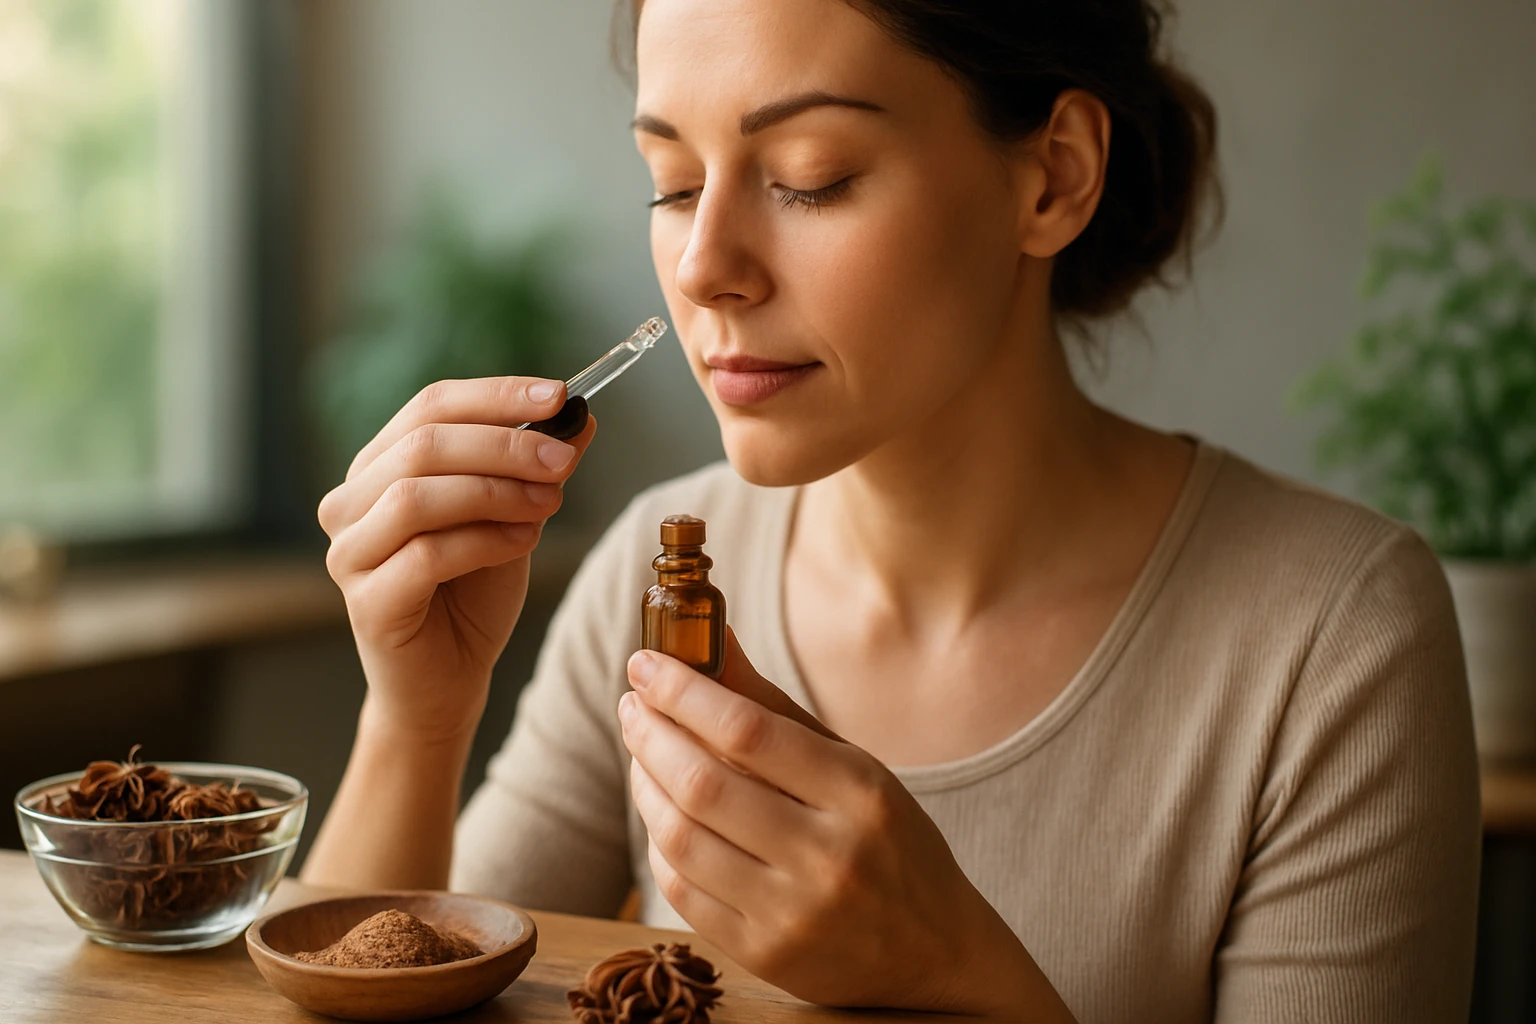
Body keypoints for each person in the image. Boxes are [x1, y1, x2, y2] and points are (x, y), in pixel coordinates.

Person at [302, 0, 1481, 1019]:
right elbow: (393, 972)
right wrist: (417, 719)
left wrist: (958, 975)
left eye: (812, 174)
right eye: (671, 182)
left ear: (1054, 175)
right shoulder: (655, 582)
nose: (706, 264)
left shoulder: (1334, 642)